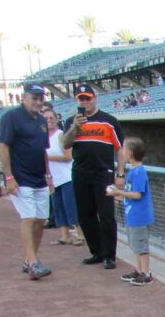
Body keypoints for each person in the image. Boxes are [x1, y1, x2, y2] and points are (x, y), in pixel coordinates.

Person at [62, 83, 125, 270]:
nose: (85, 102)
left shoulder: (109, 121)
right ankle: (97, 252)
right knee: (85, 215)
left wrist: (120, 174)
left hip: (103, 173)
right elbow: (65, 144)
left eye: (87, 98)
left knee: (106, 215)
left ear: (94, 98)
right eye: (81, 99)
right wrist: (75, 127)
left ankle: (109, 255)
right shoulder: (71, 121)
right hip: (80, 173)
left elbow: (120, 149)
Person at [0, 84, 55, 280]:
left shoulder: (41, 120)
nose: (38, 102)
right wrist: (9, 177)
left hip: (39, 178)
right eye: (34, 98)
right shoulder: (11, 117)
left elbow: (43, 150)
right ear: (25, 98)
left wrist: (48, 175)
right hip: (21, 178)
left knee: (40, 220)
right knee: (29, 218)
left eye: (40, 99)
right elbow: (3, 147)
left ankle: (29, 259)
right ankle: (32, 263)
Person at [107, 137, 154, 285]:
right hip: (132, 215)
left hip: (139, 216)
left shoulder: (139, 172)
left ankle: (146, 273)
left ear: (130, 153)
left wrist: (119, 192)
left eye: (124, 148)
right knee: (135, 244)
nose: (122, 151)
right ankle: (138, 270)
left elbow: (138, 194)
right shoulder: (134, 171)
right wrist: (119, 195)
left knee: (141, 245)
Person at [43, 107, 83, 247]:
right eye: (46, 118)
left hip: (66, 177)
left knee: (71, 206)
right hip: (54, 178)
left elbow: (68, 157)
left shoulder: (60, 135)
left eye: (51, 118)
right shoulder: (43, 138)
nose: (49, 121)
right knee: (58, 207)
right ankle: (65, 236)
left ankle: (80, 234)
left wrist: (47, 157)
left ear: (56, 119)